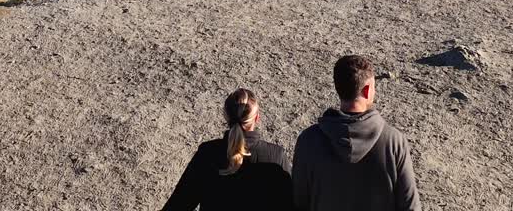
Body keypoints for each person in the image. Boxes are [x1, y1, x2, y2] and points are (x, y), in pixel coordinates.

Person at [292, 55, 421, 211]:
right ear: (367, 90)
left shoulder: (308, 140)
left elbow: (298, 201)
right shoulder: (394, 142)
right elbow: (410, 206)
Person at [162, 88, 293, 211]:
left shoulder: (207, 153)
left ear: (226, 116)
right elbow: (290, 205)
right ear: (257, 118)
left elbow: (178, 205)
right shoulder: (276, 156)